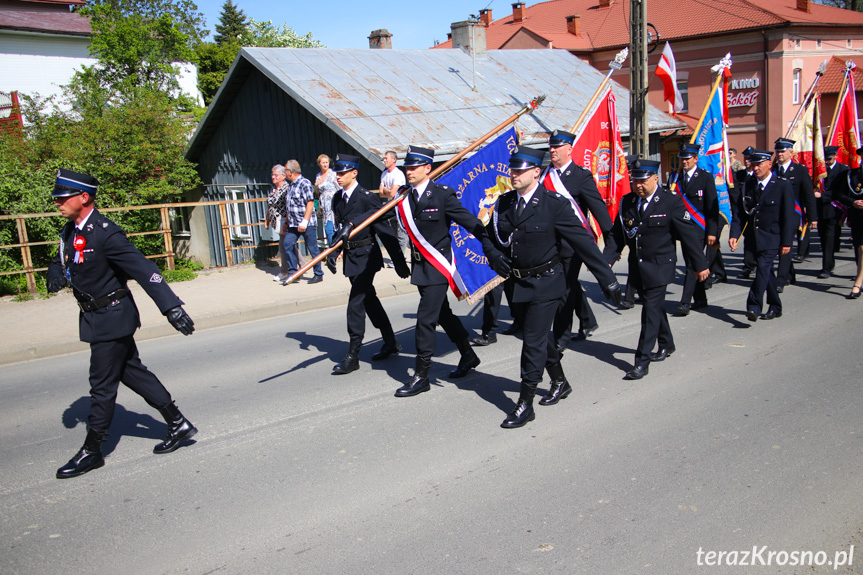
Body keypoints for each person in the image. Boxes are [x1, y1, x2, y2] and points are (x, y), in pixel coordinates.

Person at [46, 169, 197, 479]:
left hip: (112, 318)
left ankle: (93, 450)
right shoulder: (70, 231)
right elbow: (62, 257)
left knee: (101, 386)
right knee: (132, 372)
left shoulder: (106, 233)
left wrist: (171, 307)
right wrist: (54, 271)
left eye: (63, 198)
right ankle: (178, 423)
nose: (58, 203)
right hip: (96, 317)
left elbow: (145, 270)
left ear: (83, 198)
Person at [488, 145, 620, 428]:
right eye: (513, 170)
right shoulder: (504, 203)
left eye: (521, 170)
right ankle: (560, 381)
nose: (515, 175)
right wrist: (494, 257)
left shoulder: (555, 204)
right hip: (517, 282)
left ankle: (525, 403)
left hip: (546, 282)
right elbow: (490, 237)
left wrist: (607, 278)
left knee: (533, 341)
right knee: (533, 335)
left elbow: (583, 242)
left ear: (536, 172)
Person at [393, 145, 502, 398]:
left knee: (425, 319)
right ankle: (468, 355)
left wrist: (486, 242)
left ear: (427, 168)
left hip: (438, 266)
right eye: (407, 167)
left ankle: (421, 376)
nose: (408, 171)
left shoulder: (442, 195)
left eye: (413, 167)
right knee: (443, 314)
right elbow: (377, 214)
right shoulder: (404, 197)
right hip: (420, 266)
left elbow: (469, 219)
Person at [610, 158, 708, 381]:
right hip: (638, 268)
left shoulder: (670, 202)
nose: (638, 186)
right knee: (655, 309)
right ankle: (667, 343)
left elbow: (689, 236)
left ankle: (641, 362)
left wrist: (700, 264)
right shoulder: (628, 202)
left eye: (642, 181)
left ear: (655, 178)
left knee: (649, 313)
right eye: (634, 181)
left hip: (661, 267)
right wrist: (607, 261)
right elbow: (618, 235)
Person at [325, 154, 410, 374]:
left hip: (367, 257)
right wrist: (333, 254)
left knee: (356, 302)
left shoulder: (366, 198)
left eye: (343, 172)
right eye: (337, 172)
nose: (339, 176)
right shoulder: (337, 198)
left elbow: (386, 232)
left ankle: (353, 355)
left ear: (354, 173)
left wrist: (399, 262)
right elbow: (341, 232)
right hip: (351, 259)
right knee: (369, 301)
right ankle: (391, 342)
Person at [542, 129, 618, 350]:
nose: (553, 150)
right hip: (549, 245)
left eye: (557, 147)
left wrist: (611, 249)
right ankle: (587, 320)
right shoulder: (545, 175)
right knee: (569, 285)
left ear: (569, 149)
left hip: (572, 245)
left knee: (563, 290)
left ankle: (561, 337)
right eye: (551, 147)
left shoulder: (580, 176)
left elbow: (600, 213)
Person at [729, 149, 796, 321]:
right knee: (767, 272)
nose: (755, 167)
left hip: (773, 237)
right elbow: (739, 214)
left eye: (759, 164)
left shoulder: (782, 185)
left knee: (762, 269)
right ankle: (775, 306)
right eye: (753, 164)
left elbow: (789, 216)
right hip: (753, 238)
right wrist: (734, 234)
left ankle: (754, 306)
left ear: (768, 164)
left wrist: (787, 241)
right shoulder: (748, 185)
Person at [672, 143, 718, 316]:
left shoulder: (705, 177)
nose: (684, 161)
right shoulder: (675, 178)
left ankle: (685, 302)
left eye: (688, 158)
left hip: (699, 228)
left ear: (696, 159)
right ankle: (700, 299)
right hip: (682, 228)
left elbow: (712, 207)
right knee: (692, 262)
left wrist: (712, 232)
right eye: (682, 158)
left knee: (692, 265)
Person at [773, 137, 817, 291]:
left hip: (792, 214)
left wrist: (812, 217)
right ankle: (790, 274)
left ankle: (780, 280)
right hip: (775, 215)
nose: (779, 154)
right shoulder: (772, 170)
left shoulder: (800, 170)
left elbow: (808, 195)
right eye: (778, 151)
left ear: (791, 153)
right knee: (780, 246)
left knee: (786, 244)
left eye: (783, 151)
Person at [282, 160, 324, 284]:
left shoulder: (304, 183)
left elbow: (310, 203)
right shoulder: (291, 186)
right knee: (287, 244)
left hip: (307, 223)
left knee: (313, 248)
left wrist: (305, 221)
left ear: (290, 172)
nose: (284, 173)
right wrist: (286, 223)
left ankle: (318, 274)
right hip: (293, 224)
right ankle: (294, 273)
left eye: (285, 170)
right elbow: (290, 206)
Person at [816, 146, 849, 279]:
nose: (827, 161)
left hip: (835, 208)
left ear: (835, 156)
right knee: (824, 238)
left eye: (829, 158)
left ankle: (827, 267)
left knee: (830, 238)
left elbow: (842, 191)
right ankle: (829, 263)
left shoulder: (843, 170)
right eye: (825, 158)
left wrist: (823, 196)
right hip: (820, 209)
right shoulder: (819, 169)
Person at [836, 147, 863, 299]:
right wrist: (853, 202)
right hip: (858, 217)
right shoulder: (851, 175)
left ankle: (857, 284)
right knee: (859, 248)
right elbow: (839, 194)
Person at [379, 151, 410, 257]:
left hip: (400, 206)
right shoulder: (384, 174)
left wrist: (385, 189)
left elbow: (392, 193)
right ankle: (397, 256)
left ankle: (400, 257)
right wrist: (389, 190)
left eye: (386, 158)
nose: (384, 160)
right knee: (393, 234)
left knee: (401, 233)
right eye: (384, 158)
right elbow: (381, 193)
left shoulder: (398, 174)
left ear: (394, 159)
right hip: (389, 207)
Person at [733, 147, 758, 279]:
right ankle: (748, 266)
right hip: (743, 210)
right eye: (746, 159)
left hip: (755, 211)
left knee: (757, 240)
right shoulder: (740, 174)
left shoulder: (758, 174)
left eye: (749, 159)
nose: (747, 161)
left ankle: (758, 265)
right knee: (748, 240)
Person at [266, 164, 290, 282]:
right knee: (289, 245)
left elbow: (289, 207)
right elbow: (269, 205)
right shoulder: (273, 189)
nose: (273, 177)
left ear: (283, 176)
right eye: (272, 174)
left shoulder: (286, 188)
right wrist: (267, 220)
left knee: (283, 246)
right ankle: (303, 264)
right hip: (276, 221)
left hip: (285, 220)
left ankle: (284, 271)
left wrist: (287, 222)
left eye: (276, 175)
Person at [314, 154, 339, 246]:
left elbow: (340, 188)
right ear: (319, 164)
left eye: (327, 162)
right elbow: (317, 193)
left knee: (334, 227)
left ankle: (337, 248)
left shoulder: (333, 174)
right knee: (328, 228)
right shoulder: (318, 176)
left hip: (333, 204)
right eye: (323, 163)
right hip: (324, 205)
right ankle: (333, 247)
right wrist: (316, 185)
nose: (325, 164)